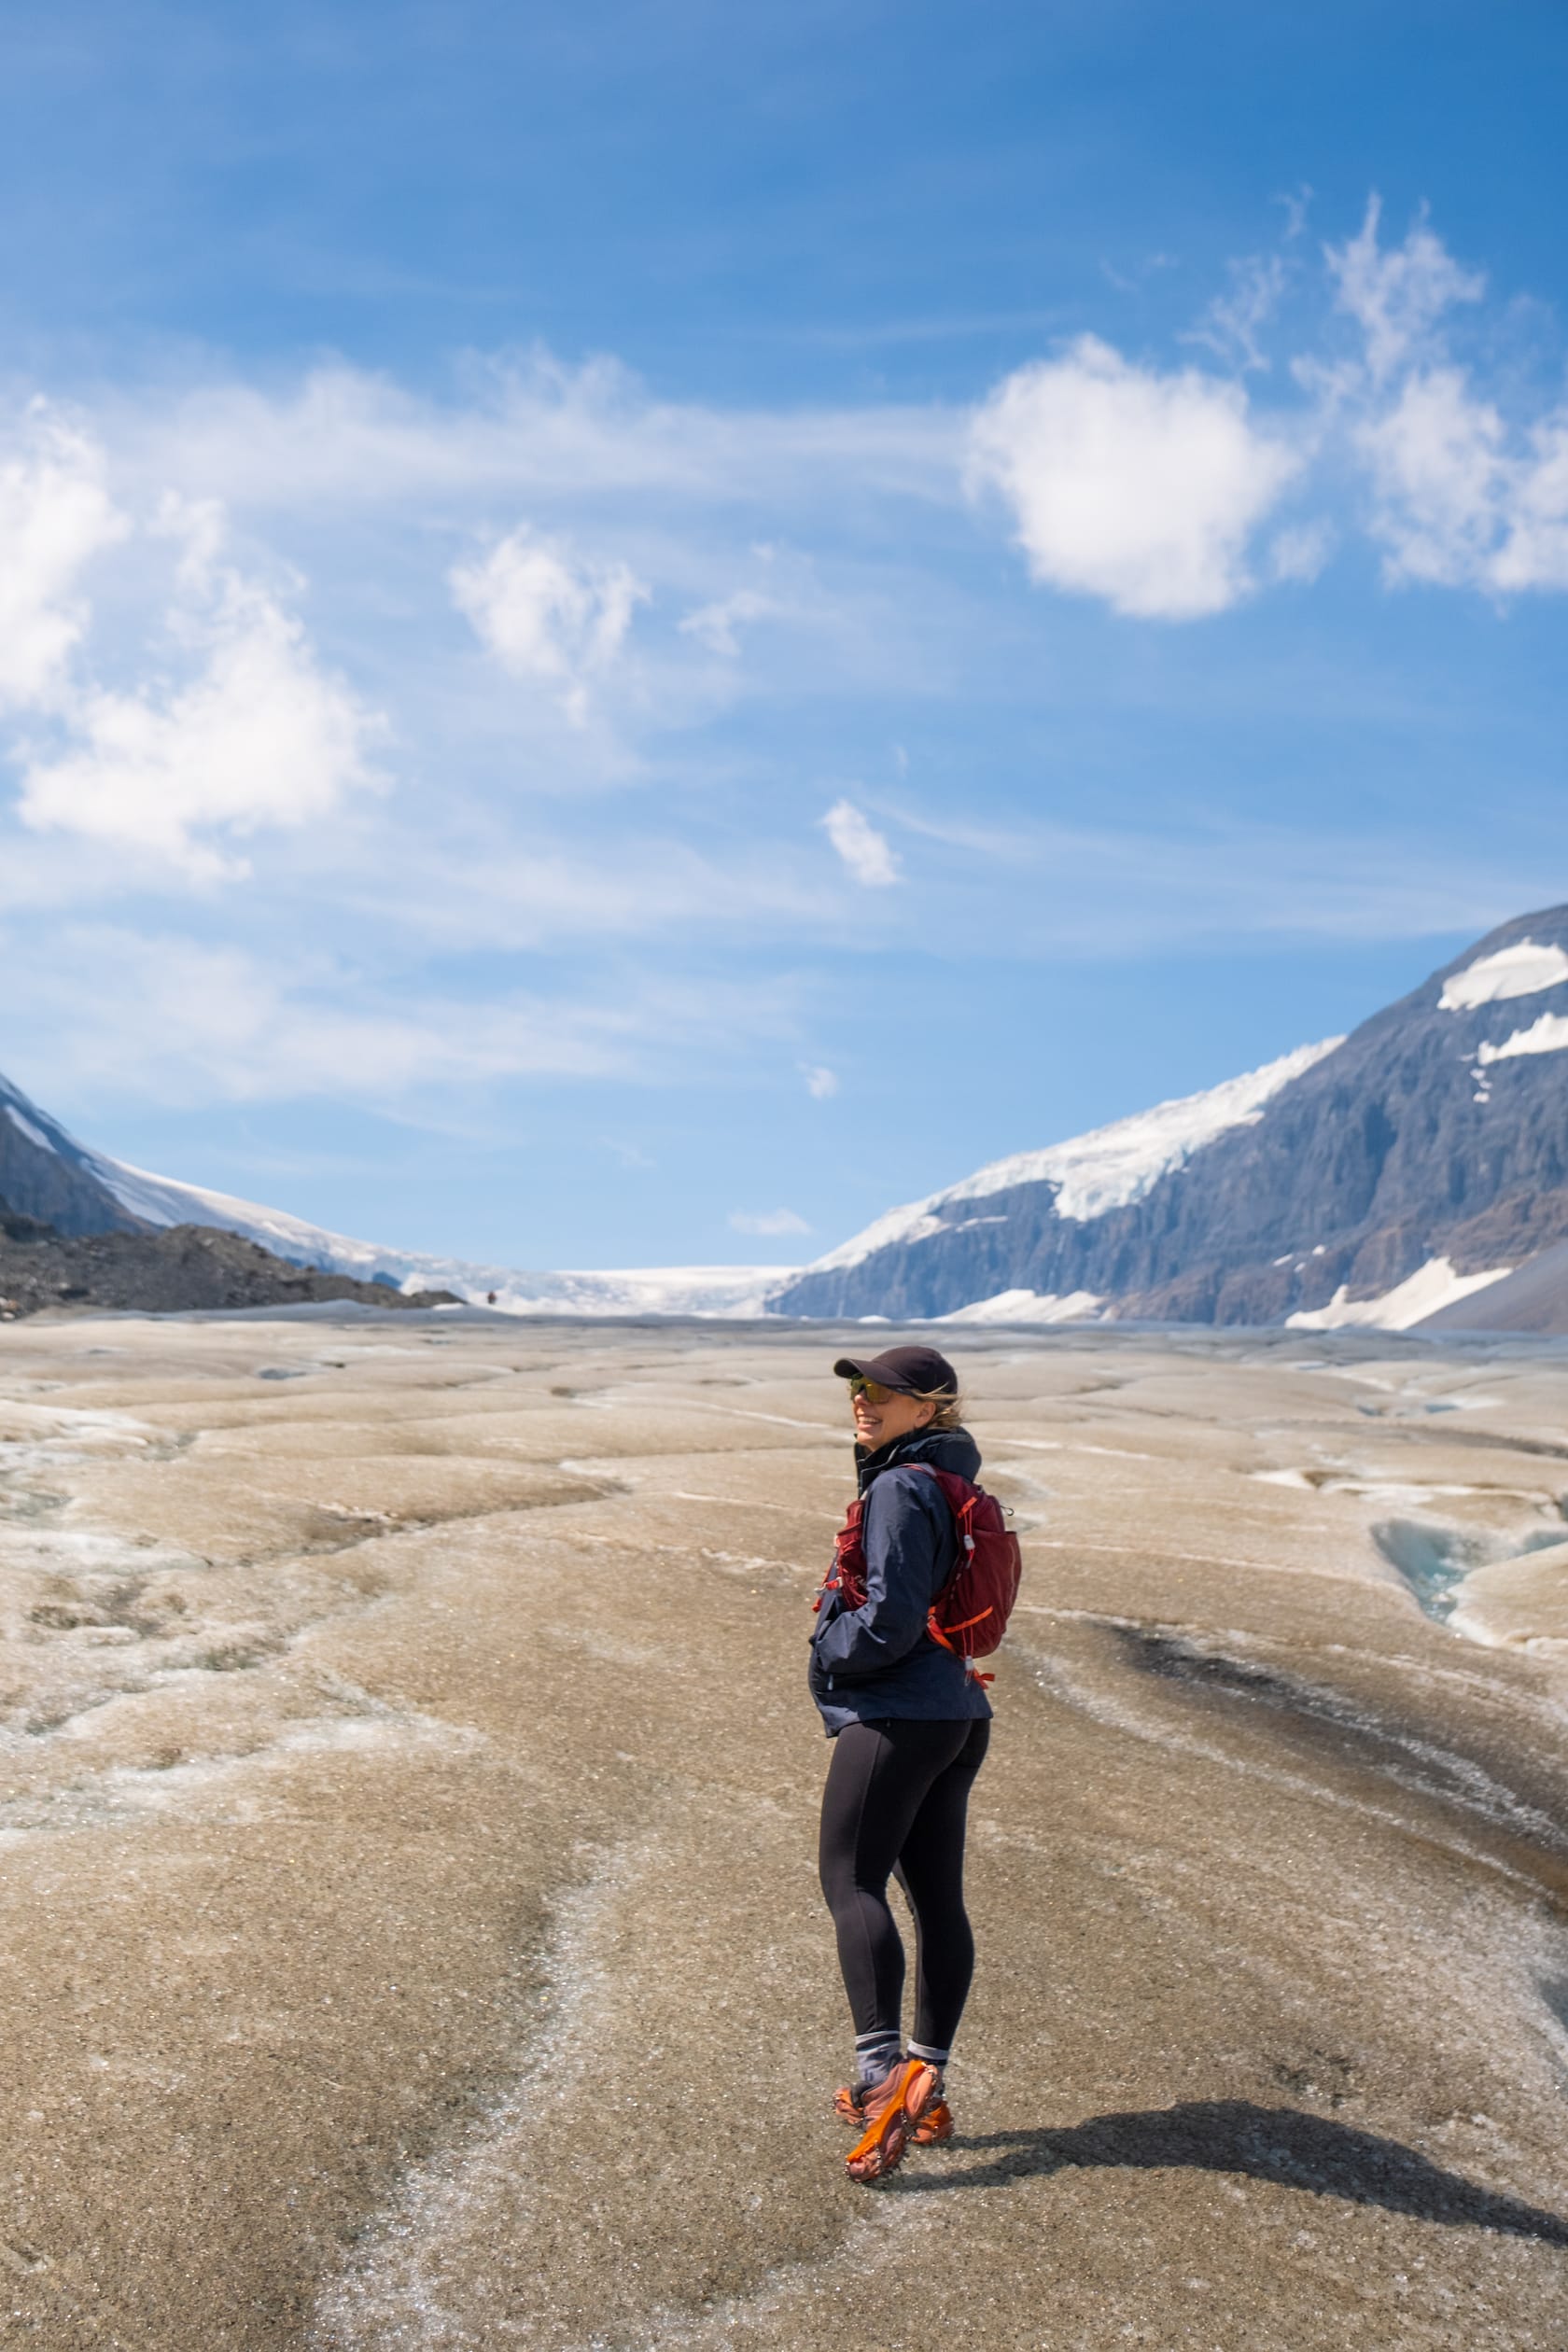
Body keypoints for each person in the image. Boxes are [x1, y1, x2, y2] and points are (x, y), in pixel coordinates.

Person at [809, 1342, 993, 2182]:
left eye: (885, 1391)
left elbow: (890, 1619)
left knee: (851, 1882)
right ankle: (929, 2076)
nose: (864, 1398)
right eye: (859, 1386)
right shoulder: (956, 1482)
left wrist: (828, 1646)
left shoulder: (898, 1486)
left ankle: (886, 2074)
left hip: (899, 1712)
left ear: (930, 1408)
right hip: (957, 1709)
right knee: (935, 1899)